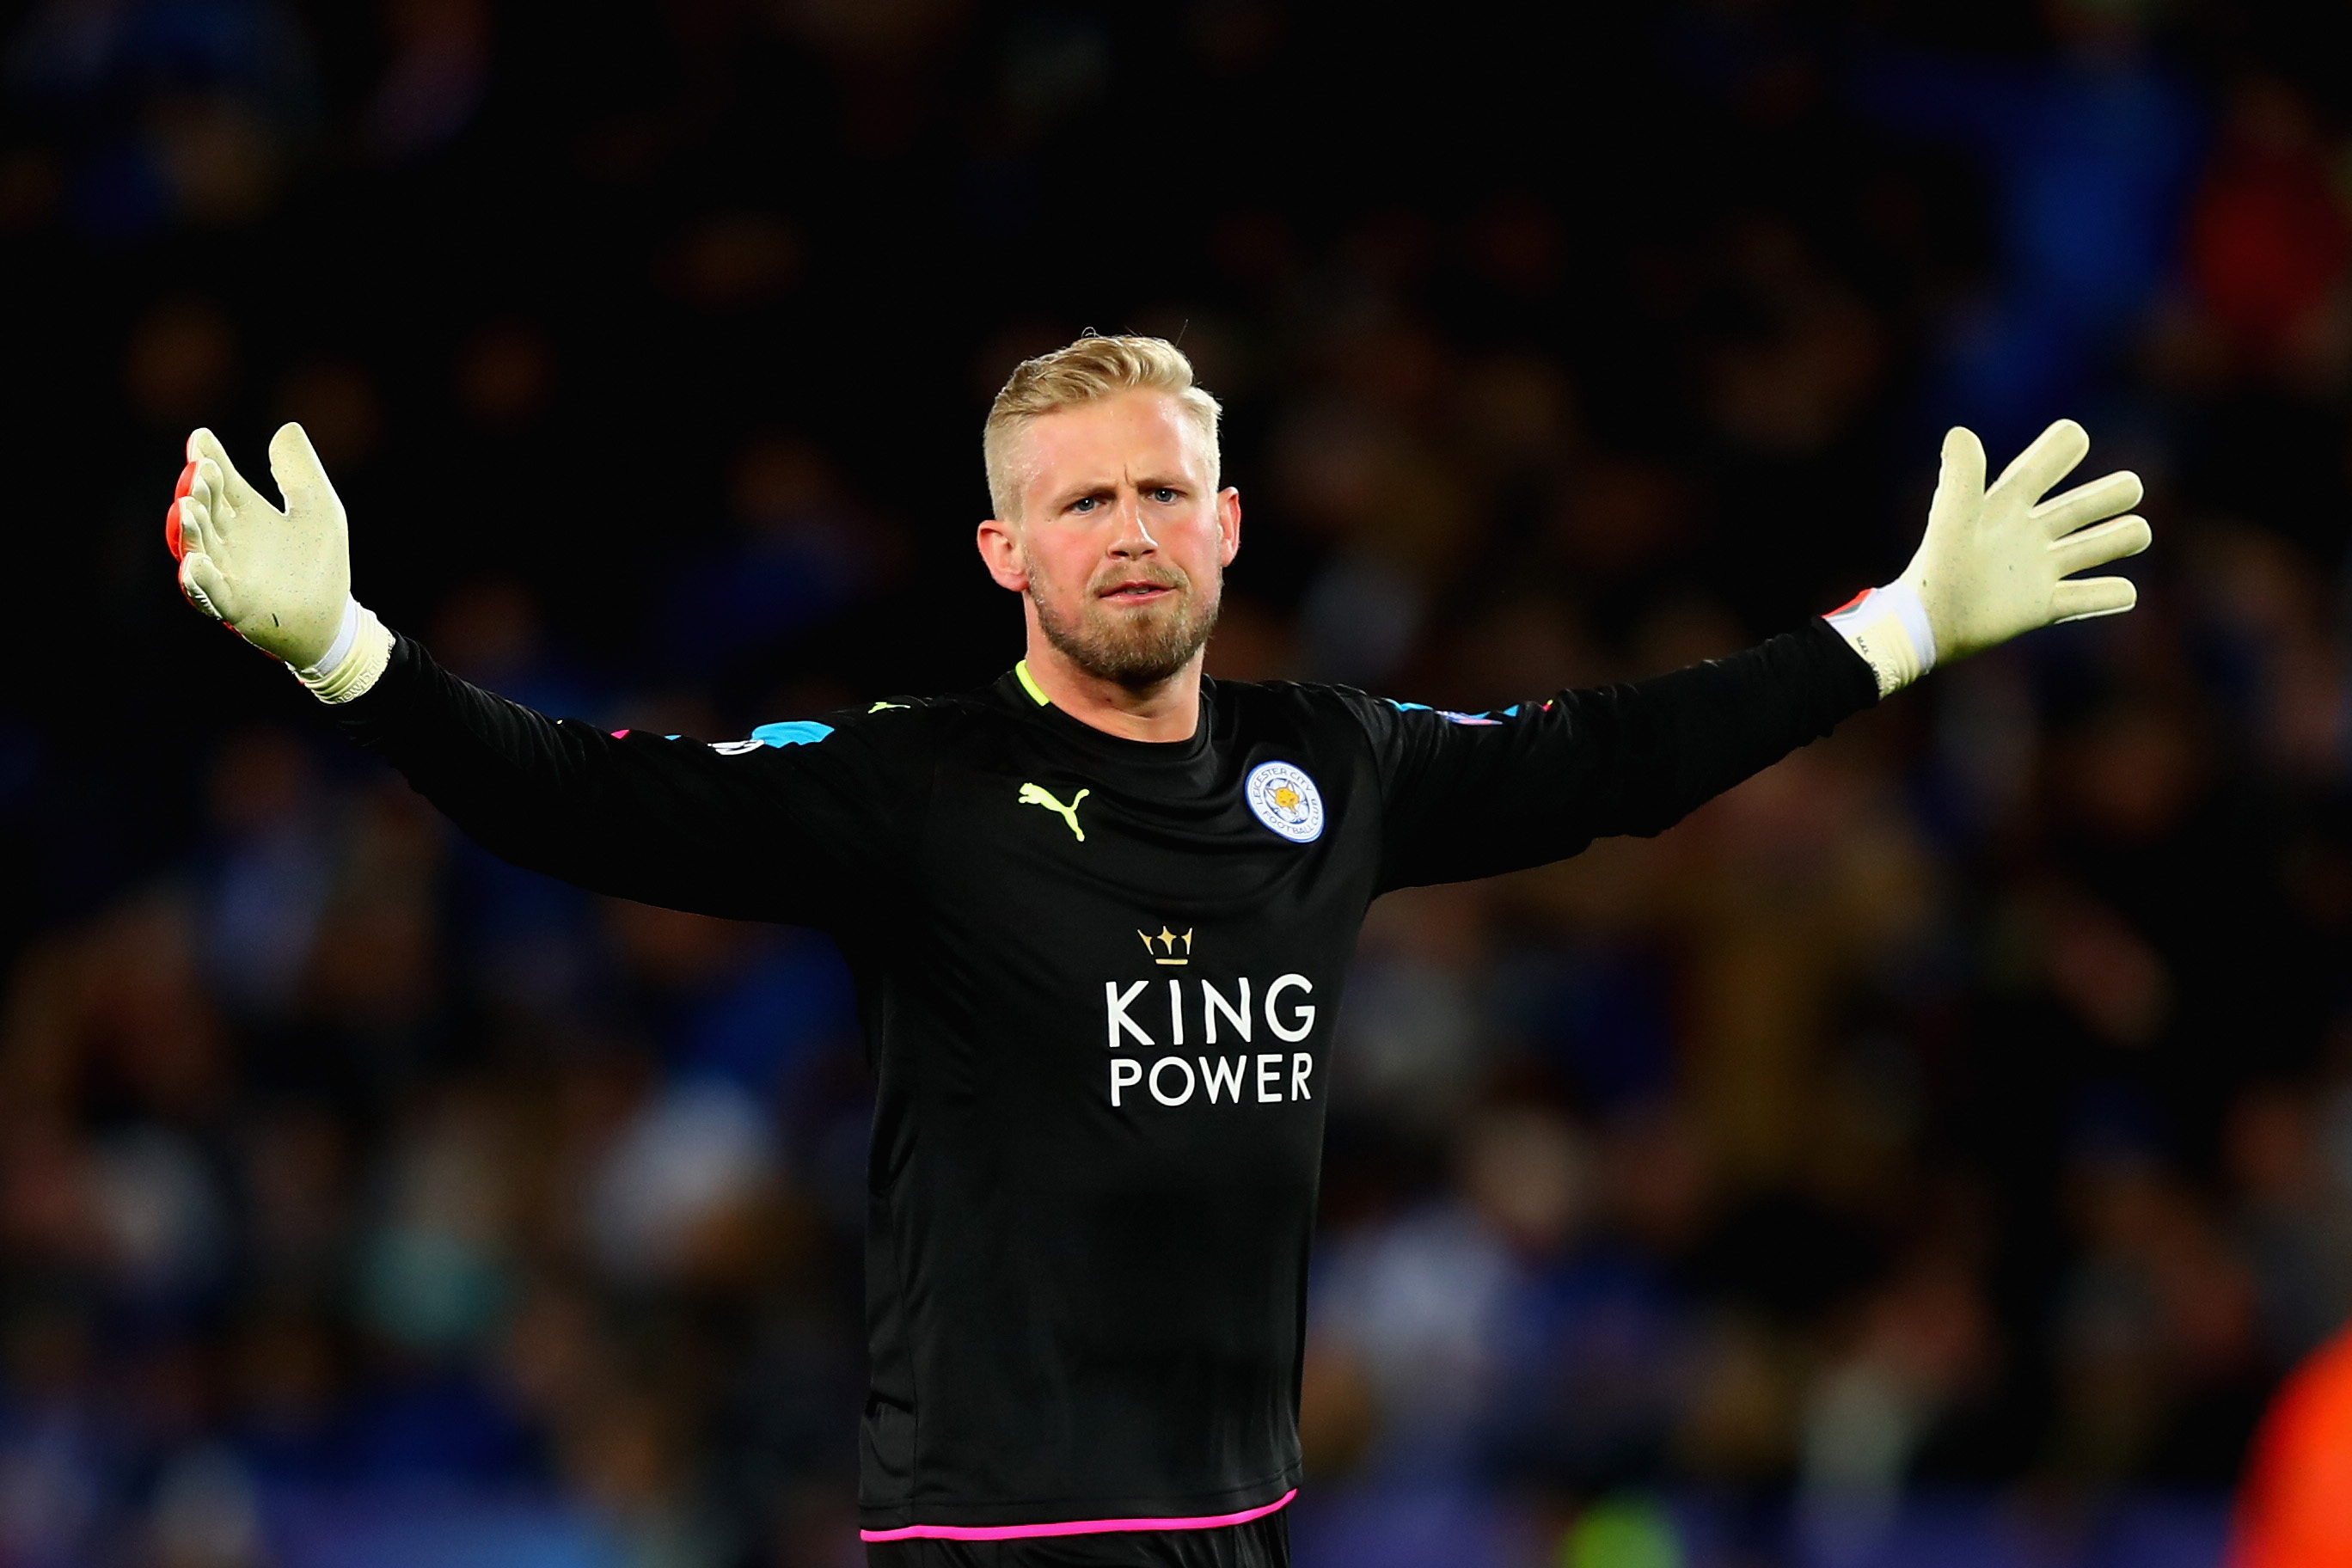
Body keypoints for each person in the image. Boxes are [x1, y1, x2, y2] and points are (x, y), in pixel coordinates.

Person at [164, 336, 2150, 1566]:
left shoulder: (1331, 766)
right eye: (1079, 500)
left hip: (1242, 1514)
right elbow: (576, 801)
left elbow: (1612, 764)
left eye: (1160, 491)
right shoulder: (909, 785)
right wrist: (351, 653)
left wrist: (1899, 627)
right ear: (1002, 556)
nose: (1127, 526)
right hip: (999, 1531)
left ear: (1225, 530)